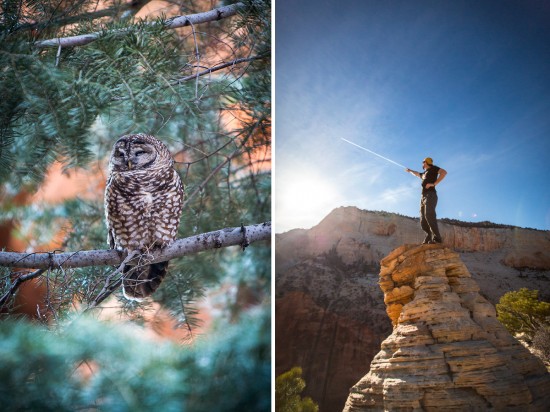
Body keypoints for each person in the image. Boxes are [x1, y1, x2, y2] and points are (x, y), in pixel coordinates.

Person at [405, 158, 447, 244]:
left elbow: (444, 172)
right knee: (423, 219)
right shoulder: (424, 174)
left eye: (423, 162)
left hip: (430, 195)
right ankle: (429, 236)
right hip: (423, 197)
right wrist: (410, 171)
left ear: (427, 162)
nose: (422, 163)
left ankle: (437, 239)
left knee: (429, 214)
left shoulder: (433, 168)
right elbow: (417, 174)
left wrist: (434, 184)